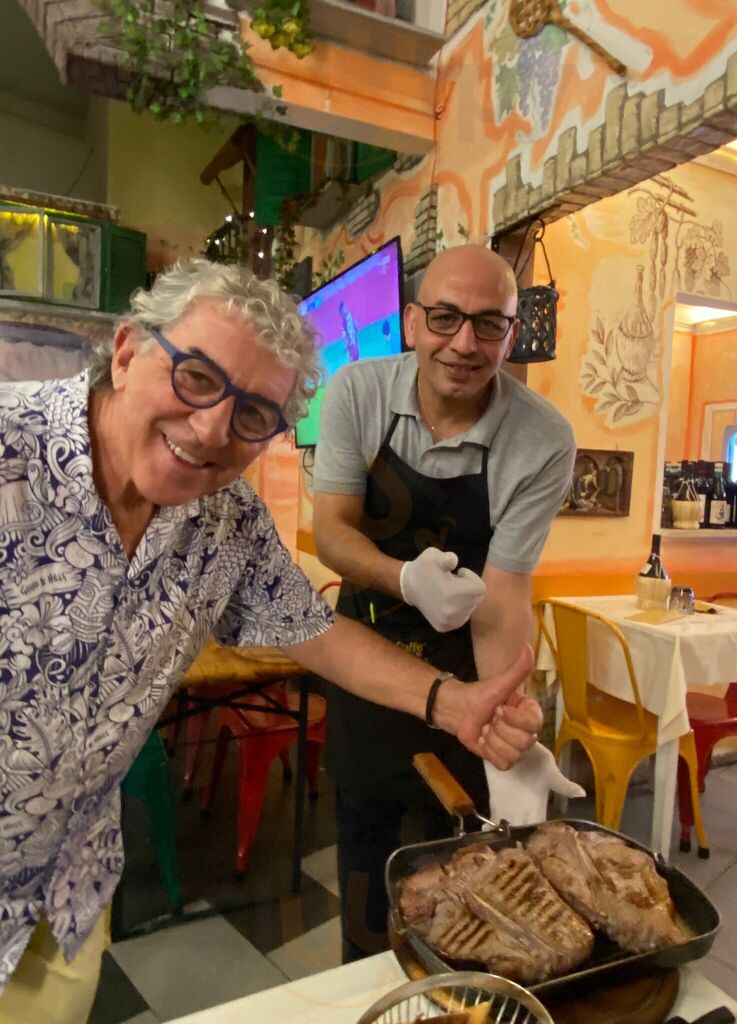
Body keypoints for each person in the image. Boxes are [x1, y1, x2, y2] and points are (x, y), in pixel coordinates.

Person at [0, 259, 542, 1024]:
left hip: (64, 894)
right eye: (193, 377)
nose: (213, 429)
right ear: (126, 352)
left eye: (255, 414)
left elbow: (316, 632)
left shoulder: (226, 519)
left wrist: (454, 704)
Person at [312, 243, 576, 961]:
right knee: (368, 874)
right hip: (366, 661)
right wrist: (402, 579)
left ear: (512, 335)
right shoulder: (357, 393)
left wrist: (502, 706)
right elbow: (329, 533)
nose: (464, 343)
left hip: (463, 684)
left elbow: (504, 592)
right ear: (410, 321)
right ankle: (369, 990)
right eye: (445, 317)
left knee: (461, 889)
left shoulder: (543, 439)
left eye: (489, 324)